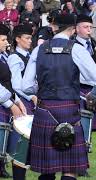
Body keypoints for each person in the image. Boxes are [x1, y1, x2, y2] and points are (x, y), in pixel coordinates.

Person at [21, 14, 96, 180]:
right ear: (73, 29)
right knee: (70, 167)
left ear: (53, 27)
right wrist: (91, 96)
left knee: (47, 167)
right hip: (69, 110)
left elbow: (26, 86)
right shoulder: (77, 49)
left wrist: (40, 90)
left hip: (44, 110)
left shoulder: (39, 49)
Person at [6, 23, 36, 180]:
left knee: (29, 144)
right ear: (17, 39)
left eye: (31, 37)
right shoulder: (14, 58)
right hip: (23, 103)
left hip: (31, 103)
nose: (30, 41)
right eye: (27, 38)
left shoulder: (29, 56)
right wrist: (32, 97)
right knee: (20, 143)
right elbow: (16, 85)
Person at [0, 23, 26, 179]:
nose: (6, 42)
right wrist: (11, 105)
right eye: (3, 39)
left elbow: (6, 83)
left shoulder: (3, 57)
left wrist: (17, 100)